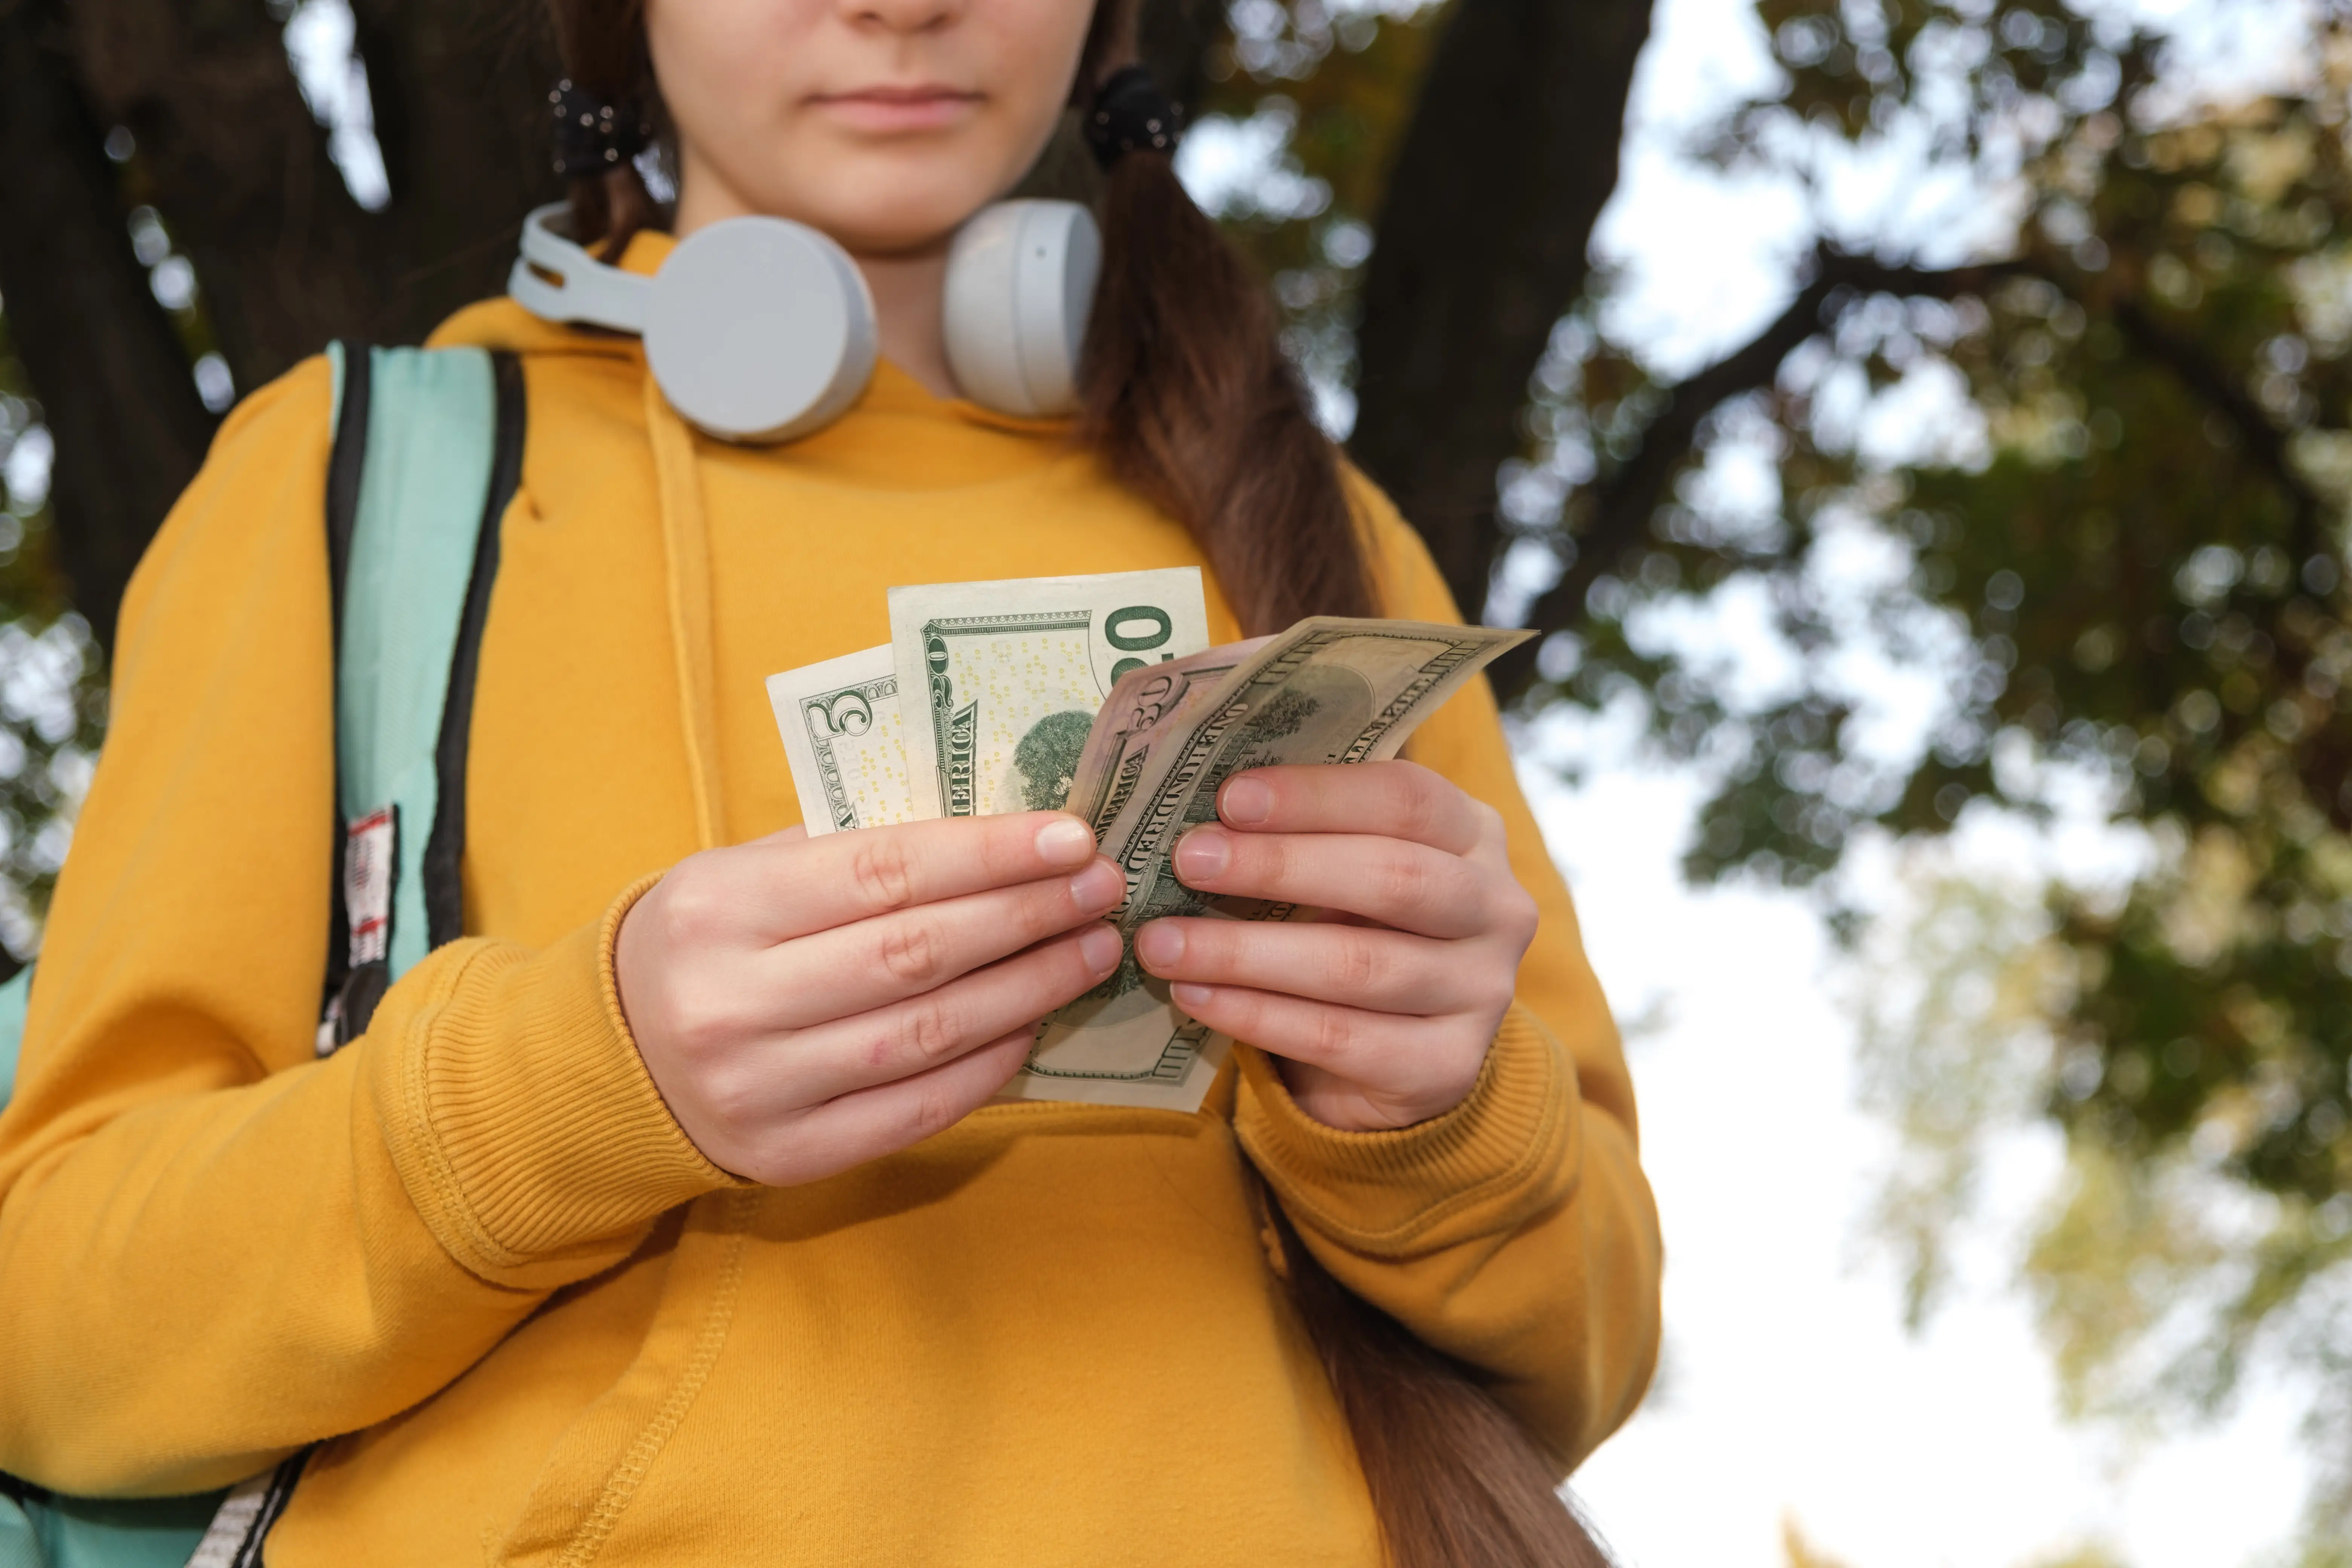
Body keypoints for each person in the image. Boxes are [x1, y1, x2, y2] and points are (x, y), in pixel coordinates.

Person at [0, 0, 1661, 1561]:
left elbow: (1590, 1340)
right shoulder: (347, 476)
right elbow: (51, 1324)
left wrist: (1432, 1120)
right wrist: (580, 1082)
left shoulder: (1334, 538)